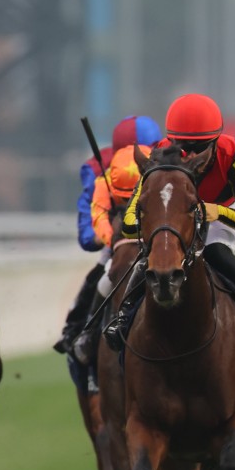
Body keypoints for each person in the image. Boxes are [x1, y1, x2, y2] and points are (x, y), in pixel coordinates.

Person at [105, 93, 235, 351]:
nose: (190, 155)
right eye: (183, 146)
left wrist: (218, 212)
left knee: (216, 252)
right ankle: (122, 319)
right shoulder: (160, 155)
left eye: (199, 148)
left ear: (215, 140)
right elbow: (129, 224)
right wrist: (155, 230)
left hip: (224, 210)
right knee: (154, 257)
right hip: (179, 214)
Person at [54, 115, 162, 357]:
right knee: (99, 277)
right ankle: (80, 332)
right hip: (117, 247)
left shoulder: (170, 167)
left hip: (162, 243)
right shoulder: (98, 176)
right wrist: (112, 235)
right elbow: (87, 236)